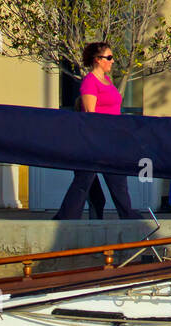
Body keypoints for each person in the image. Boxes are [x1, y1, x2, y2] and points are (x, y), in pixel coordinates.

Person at [53, 42, 138, 221]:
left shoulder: (107, 81)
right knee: (83, 182)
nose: (112, 61)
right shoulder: (90, 82)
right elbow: (91, 115)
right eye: (109, 57)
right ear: (97, 60)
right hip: (95, 142)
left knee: (117, 182)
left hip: (112, 141)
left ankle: (129, 217)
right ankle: (65, 220)